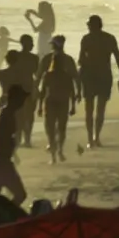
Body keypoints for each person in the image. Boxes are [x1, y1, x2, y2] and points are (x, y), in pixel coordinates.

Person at [77, 15, 119, 149]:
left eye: (89, 25)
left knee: (91, 109)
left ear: (94, 26)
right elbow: (118, 58)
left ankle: (91, 139)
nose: (87, 27)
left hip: (91, 75)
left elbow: (81, 60)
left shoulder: (86, 39)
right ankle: (95, 138)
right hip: (104, 75)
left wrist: (79, 75)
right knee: (99, 109)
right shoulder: (109, 38)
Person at [38, 35, 80, 164]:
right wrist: (78, 95)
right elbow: (75, 80)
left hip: (51, 101)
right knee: (61, 127)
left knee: (50, 126)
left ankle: (53, 151)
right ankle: (59, 150)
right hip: (63, 100)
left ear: (53, 45)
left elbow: (40, 80)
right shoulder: (68, 61)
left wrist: (38, 102)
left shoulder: (47, 62)